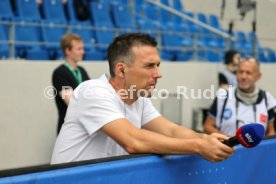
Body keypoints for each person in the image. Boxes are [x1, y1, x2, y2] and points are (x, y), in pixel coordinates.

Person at [51, 33, 235, 164]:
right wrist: (199, 146)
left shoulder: (139, 98)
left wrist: (207, 139)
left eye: (157, 65)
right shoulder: (92, 91)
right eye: (149, 66)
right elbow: (134, 141)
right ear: (121, 69)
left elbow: (171, 130)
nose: (158, 74)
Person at [204, 56, 276, 137]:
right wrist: (231, 141)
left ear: (258, 76)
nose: (243, 77)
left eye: (248, 73)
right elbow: (207, 127)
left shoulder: (267, 99)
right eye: (240, 72)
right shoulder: (223, 96)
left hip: (257, 149)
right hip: (227, 148)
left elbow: (271, 132)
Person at [52, 33, 90, 135]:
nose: (83, 52)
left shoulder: (82, 71)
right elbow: (71, 102)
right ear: (67, 51)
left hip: (83, 128)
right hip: (68, 129)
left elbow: (91, 95)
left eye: (82, 48)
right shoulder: (59, 72)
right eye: (79, 49)